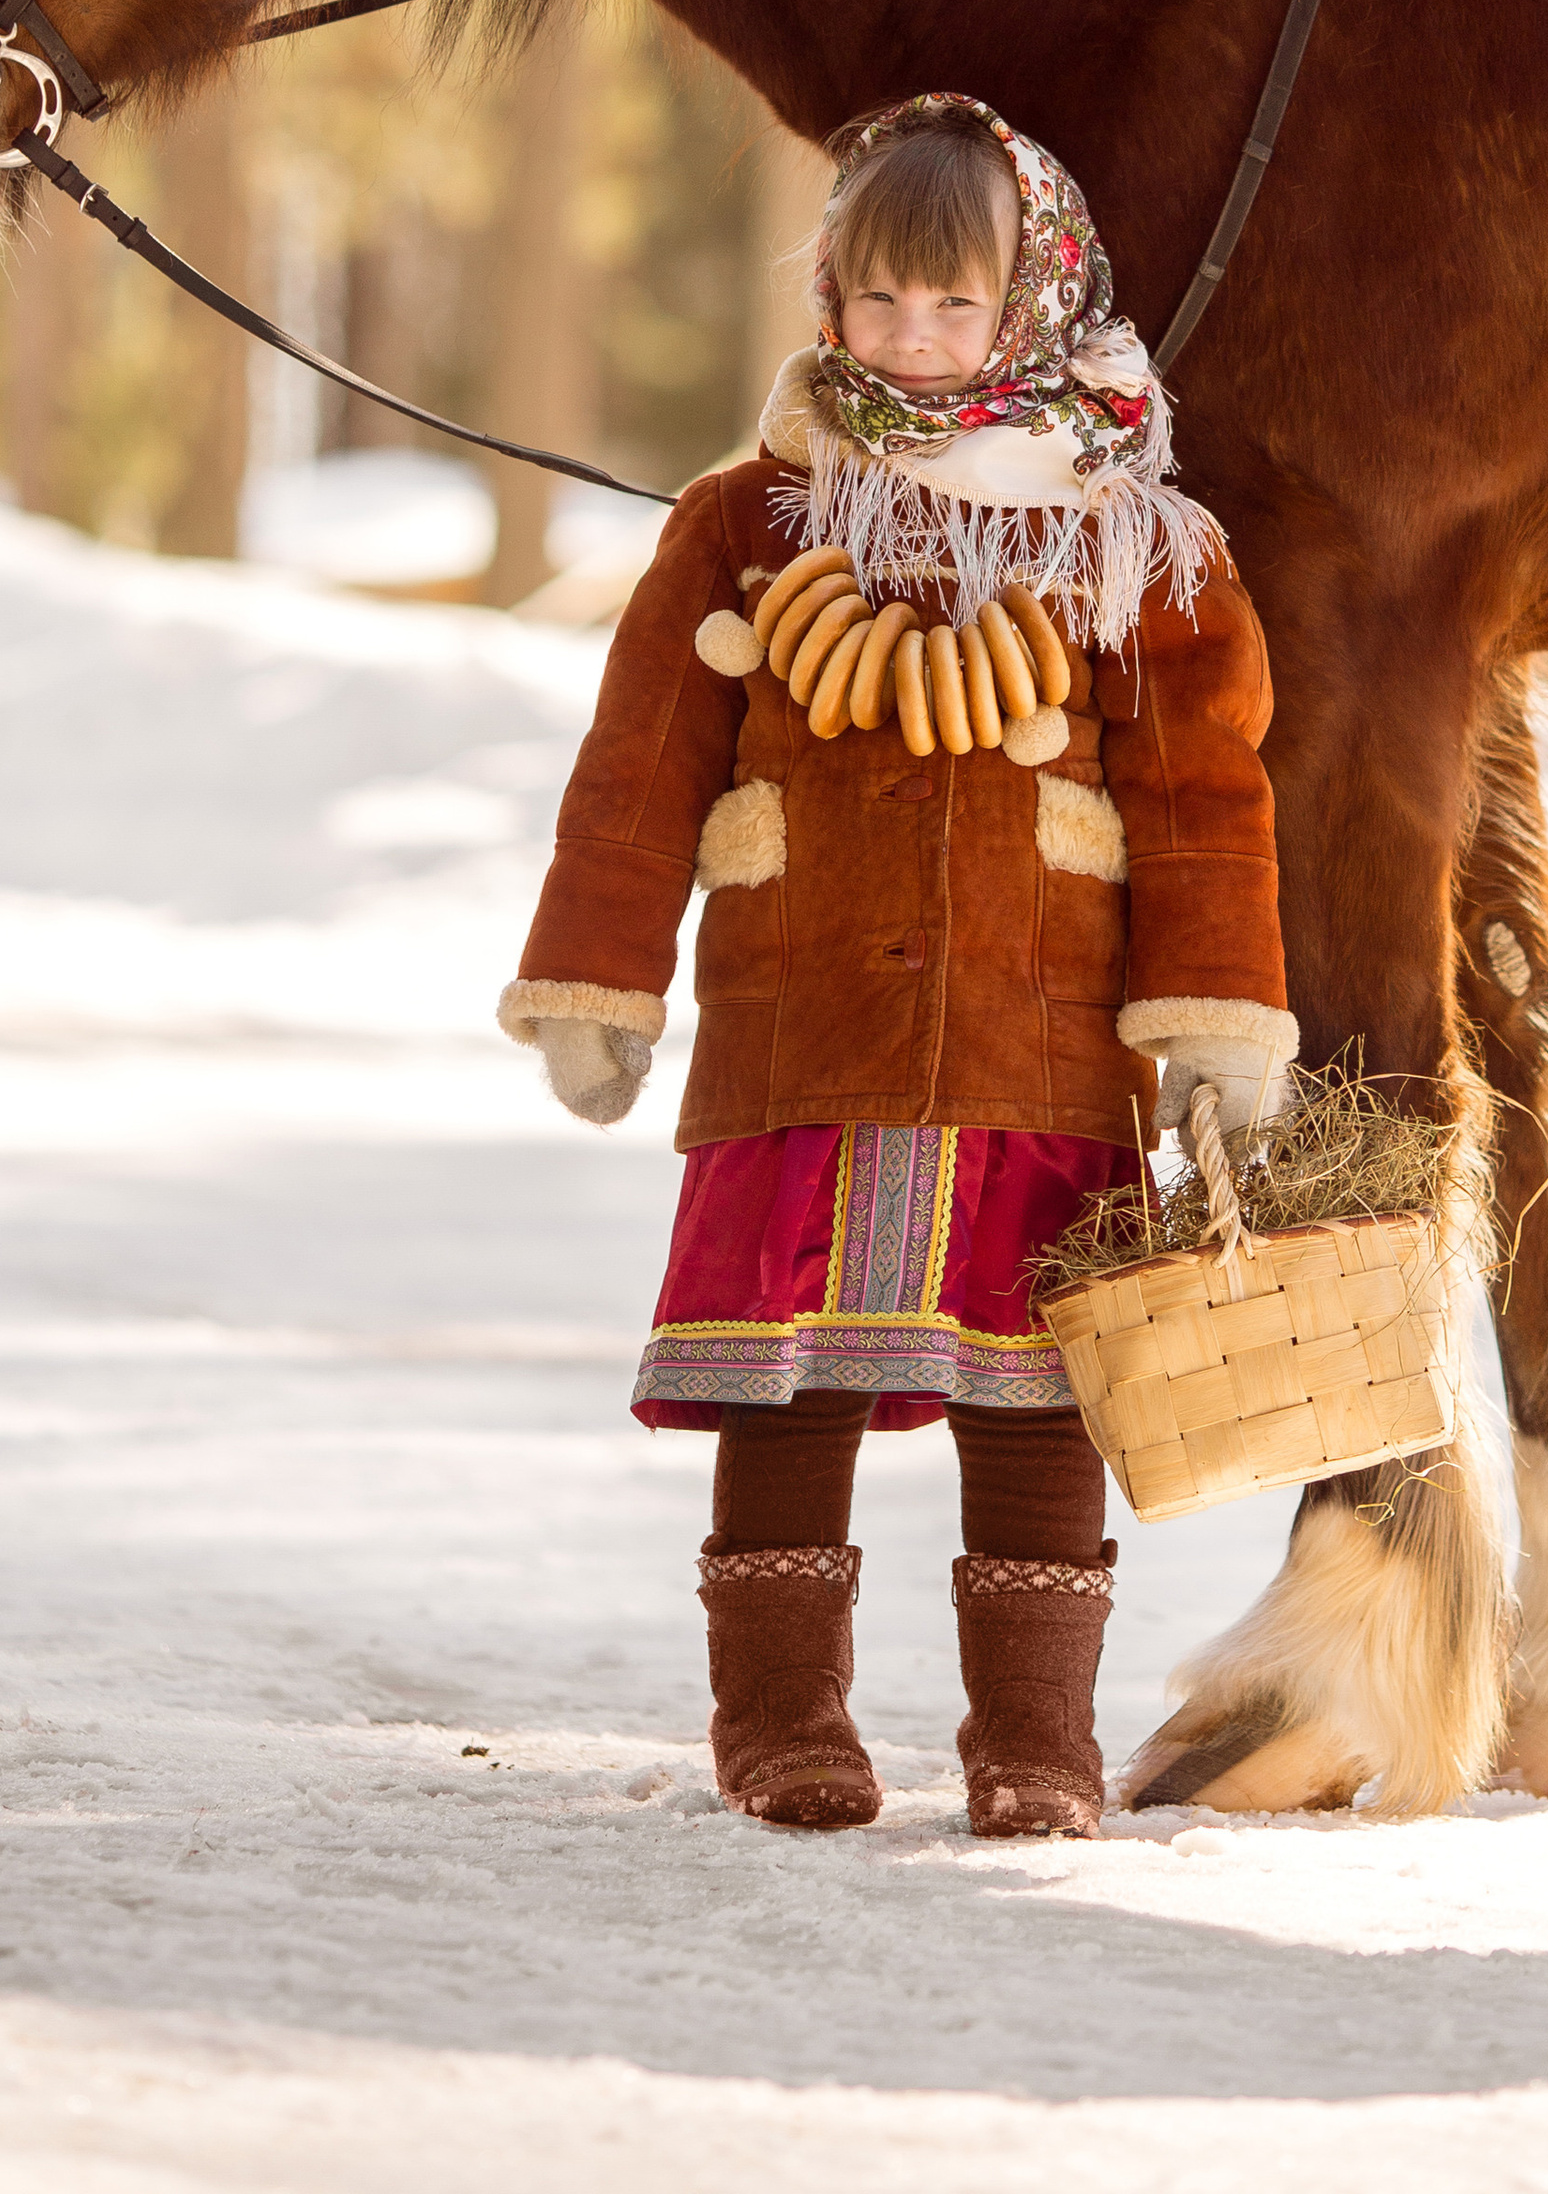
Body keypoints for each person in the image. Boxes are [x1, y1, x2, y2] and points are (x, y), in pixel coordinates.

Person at [499, 95, 1291, 1837]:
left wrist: (1223, 1019)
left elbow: (1203, 796)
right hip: (802, 1031)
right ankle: (781, 1720)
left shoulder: (1130, 543)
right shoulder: (751, 523)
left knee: (1035, 1400)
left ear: (1035, 305)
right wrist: (597, 975)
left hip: (1038, 1044)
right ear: (830, 298)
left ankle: (1034, 1742)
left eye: (958, 309)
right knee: (789, 1385)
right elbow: (639, 765)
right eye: (879, 304)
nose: (915, 344)